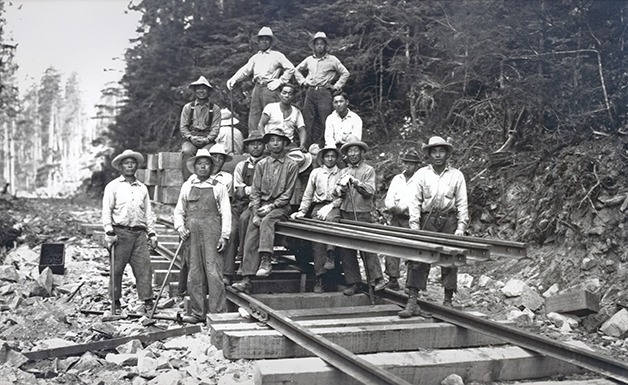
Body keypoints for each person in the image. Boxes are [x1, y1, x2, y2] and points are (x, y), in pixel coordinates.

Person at [402, 136, 469, 317]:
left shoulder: (457, 175)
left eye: (441, 151)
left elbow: (462, 203)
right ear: (429, 154)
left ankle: (447, 301)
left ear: (447, 154)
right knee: (419, 258)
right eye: (434, 151)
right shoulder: (422, 174)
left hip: (448, 219)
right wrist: (414, 225)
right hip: (427, 220)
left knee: (450, 258)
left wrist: (461, 227)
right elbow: (414, 201)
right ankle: (412, 301)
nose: (438, 155)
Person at [232, 128, 298, 293]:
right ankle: (246, 277)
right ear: (268, 144)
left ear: (284, 143)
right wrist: (255, 211)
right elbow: (255, 191)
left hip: (280, 207)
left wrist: (271, 206)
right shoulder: (261, 165)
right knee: (252, 228)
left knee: (267, 221)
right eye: (272, 140)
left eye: (279, 140)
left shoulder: (291, 165)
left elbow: (287, 194)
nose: (275, 143)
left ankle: (266, 260)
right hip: (261, 205)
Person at [173, 149, 232, 323]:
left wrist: (224, 235)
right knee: (194, 273)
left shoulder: (218, 186)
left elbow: (226, 213)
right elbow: (179, 211)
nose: (203, 167)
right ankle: (197, 313)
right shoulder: (187, 186)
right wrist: (180, 227)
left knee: (214, 272)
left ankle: (217, 314)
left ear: (211, 167)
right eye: (200, 163)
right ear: (195, 166)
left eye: (206, 163)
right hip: (191, 233)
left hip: (212, 231)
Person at [102, 149, 158, 314]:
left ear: (136, 166)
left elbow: (148, 212)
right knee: (117, 269)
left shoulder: (142, 188)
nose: (130, 166)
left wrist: (152, 233)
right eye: (126, 163)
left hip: (140, 234)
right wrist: (109, 231)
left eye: (132, 163)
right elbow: (107, 210)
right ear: (120, 166)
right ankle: (115, 302)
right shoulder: (113, 186)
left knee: (144, 268)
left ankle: (147, 301)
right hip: (120, 233)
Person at [334, 137, 386, 295]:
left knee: (366, 246)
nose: (353, 154)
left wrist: (356, 183)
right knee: (347, 248)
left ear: (361, 152)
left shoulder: (368, 170)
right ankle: (353, 282)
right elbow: (335, 192)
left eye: (356, 150)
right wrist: (341, 188)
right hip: (345, 212)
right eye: (350, 151)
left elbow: (370, 191)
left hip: (362, 213)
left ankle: (377, 279)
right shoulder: (343, 171)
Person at [290, 145, 343, 293]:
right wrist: (302, 211)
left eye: (333, 156)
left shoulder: (342, 173)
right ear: (323, 158)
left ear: (336, 158)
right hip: (318, 207)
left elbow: (343, 196)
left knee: (332, 222)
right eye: (327, 156)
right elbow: (308, 194)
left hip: (334, 206)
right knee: (317, 238)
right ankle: (319, 278)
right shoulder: (316, 173)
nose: (330, 159)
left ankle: (331, 254)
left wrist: (332, 205)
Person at [227, 27, 295, 134]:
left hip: (270, 89)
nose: (264, 41)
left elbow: (291, 68)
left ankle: (273, 143)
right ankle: (255, 142)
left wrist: (279, 81)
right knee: (254, 115)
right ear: (258, 41)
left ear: (271, 41)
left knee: (271, 116)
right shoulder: (256, 57)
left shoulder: (277, 55)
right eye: (261, 39)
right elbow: (245, 70)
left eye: (266, 39)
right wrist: (234, 79)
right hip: (257, 88)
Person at [294, 32, 350, 147]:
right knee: (307, 119)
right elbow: (296, 70)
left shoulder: (332, 59)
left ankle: (327, 146)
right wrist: (303, 82)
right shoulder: (309, 59)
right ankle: (305, 146)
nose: (319, 46)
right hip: (310, 92)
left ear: (325, 46)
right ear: (314, 46)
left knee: (326, 119)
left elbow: (345, 73)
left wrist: (336, 86)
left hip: (325, 92)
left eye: (322, 44)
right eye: (317, 44)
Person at [383, 149, 423, 291]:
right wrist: (392, 206)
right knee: (392, 246)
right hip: (396, 217)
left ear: (416, 165)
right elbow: (388, 198)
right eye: (406, 163)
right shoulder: (397, 179)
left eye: (411, 164)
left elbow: (417, 200)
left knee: (412, 249)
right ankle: (393, 278)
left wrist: (404, 208)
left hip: (411, 218)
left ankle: (410, 283)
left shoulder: (419, 180)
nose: (408, 166)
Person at [233, 132, 266, 267]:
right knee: (234, 227)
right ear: (247, 147)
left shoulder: (267, 164)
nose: (256, 147)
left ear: (264, 146)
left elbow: (268, 189)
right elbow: (238, 189)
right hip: (242, 203)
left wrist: (249, 189)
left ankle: (243, 259)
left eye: (259, 144)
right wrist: (254, 189)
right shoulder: (242, 166)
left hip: (261, 203)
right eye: (253, 144)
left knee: (245, 219)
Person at [180, 76, 222, 180]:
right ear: (195, 91)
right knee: (186, 151)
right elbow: (183, 127)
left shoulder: (215, 109)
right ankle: (188, 182)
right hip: (191, 138)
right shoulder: (188, 107)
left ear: (208, 91)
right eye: (198, 88)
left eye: (204, 88)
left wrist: (207, 139)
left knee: (208, 154)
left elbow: (215, 128)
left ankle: (209, 182)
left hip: (208, 139)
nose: (201, 91)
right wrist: (190, 137)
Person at [208, 143, 238, 284]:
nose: (216, 160)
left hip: (223, 210)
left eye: (220, 158)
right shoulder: (199, 175)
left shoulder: (227, 178)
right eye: (214, 157)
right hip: (204, 211)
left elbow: (229, 200)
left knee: (230, 232)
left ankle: (227, 272)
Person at [257, 83, 307, 152]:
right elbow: (261, 125)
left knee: (301, 158)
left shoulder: (296, 112)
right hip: (272, 143)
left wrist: (302, 145)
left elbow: (302, 130)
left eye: (290, 94)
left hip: (288, 145)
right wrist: (265, 140)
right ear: (279, 94)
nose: (287, 96)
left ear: (293, 96)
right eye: (284, 93)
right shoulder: (271, 107)